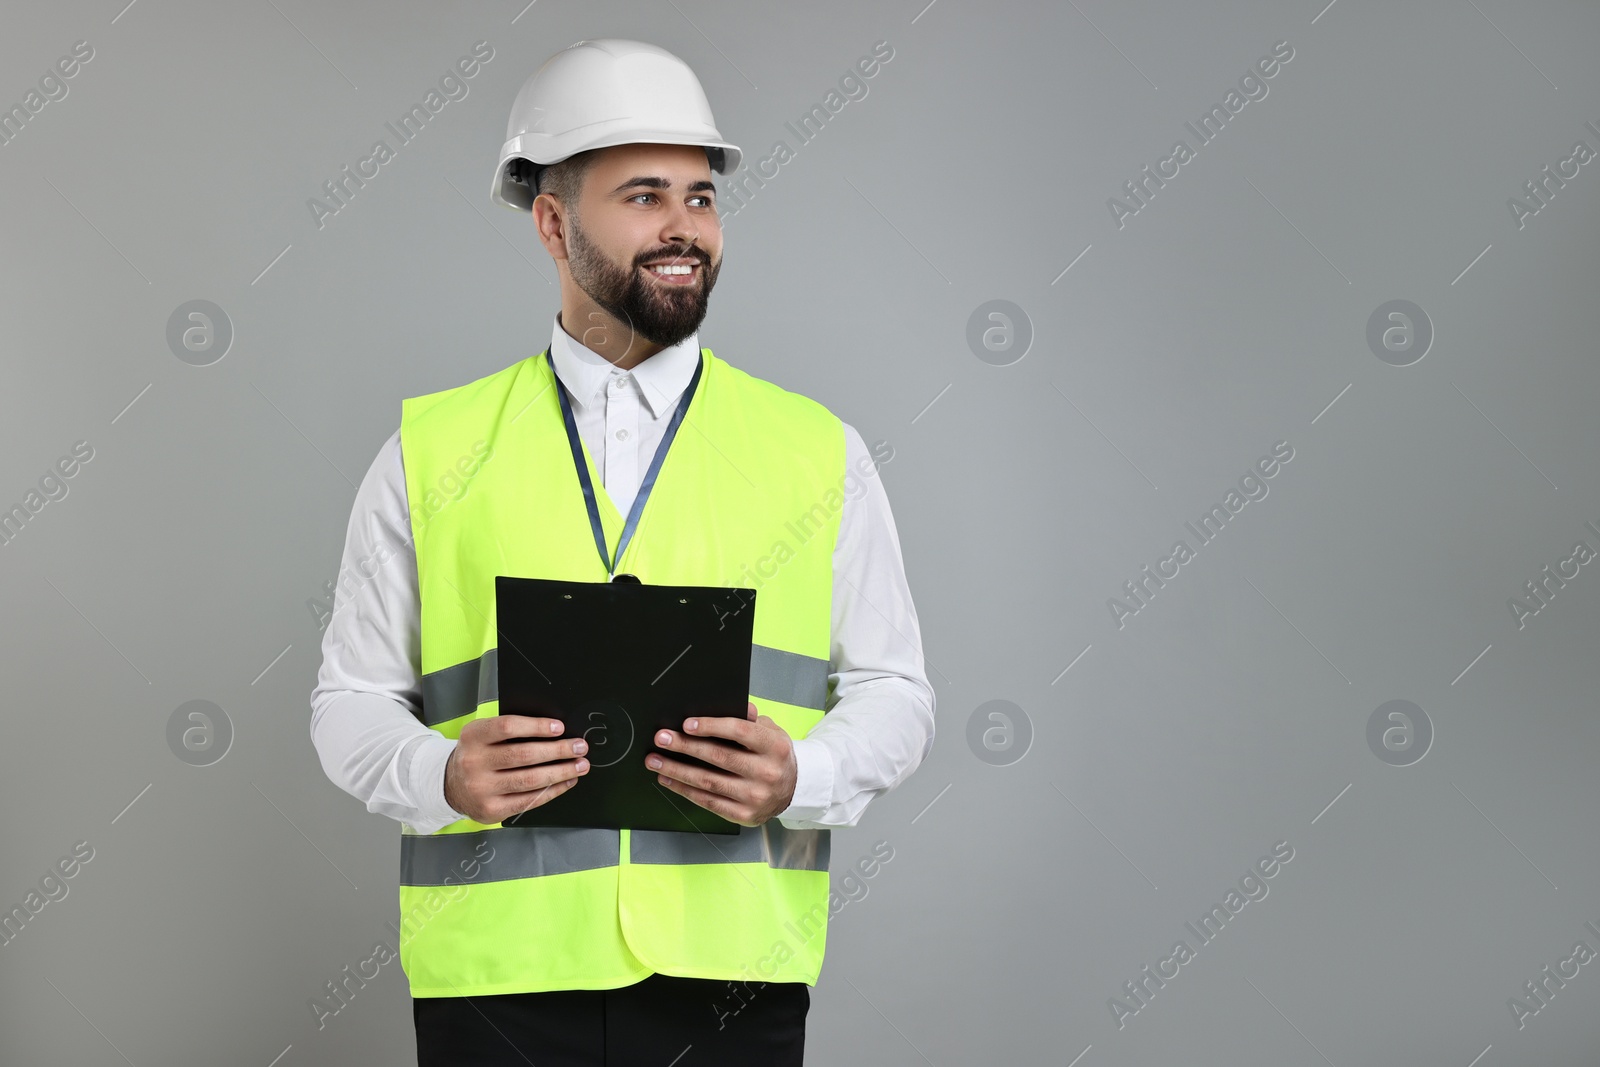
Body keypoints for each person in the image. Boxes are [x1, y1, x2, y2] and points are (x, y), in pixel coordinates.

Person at [309, 38, 934, 1066]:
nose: (684, 225)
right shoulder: (429, 451)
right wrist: (440, 775)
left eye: (700, 195)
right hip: (499, 980)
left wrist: (805, 773)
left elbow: (895, 693)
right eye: (644, 195)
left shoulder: (818, 451)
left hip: (730, 975)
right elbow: (348, 702)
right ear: (553, 223)